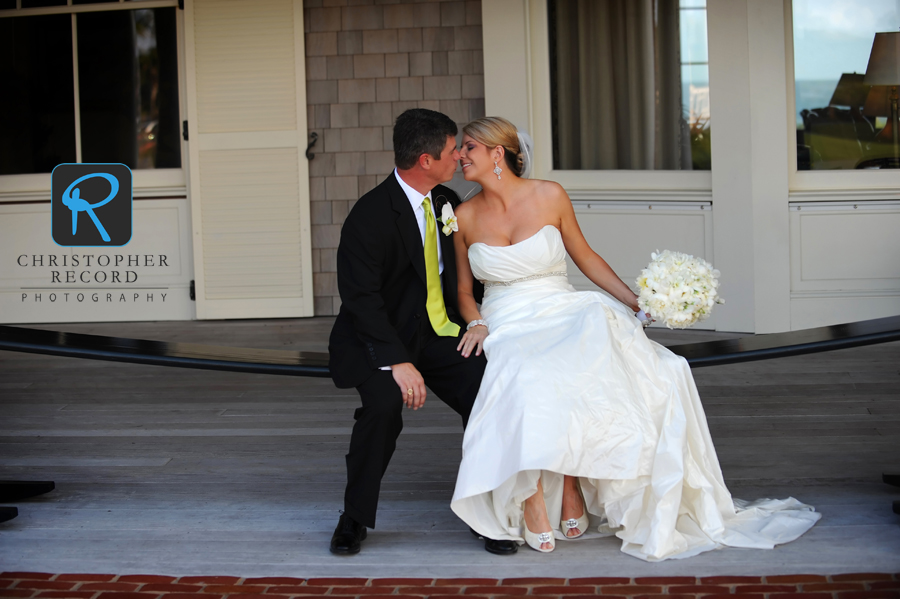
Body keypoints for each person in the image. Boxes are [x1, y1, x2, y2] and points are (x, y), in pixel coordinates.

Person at [448, 116, 821, 560]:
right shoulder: (463, 215)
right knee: (527, 374)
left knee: (597, 341)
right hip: (506, 315)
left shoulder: (549, 195)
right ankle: (532, 495)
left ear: (497, 152)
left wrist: (635, 301)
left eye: (468, 147)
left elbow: (585, 257)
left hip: (560, 303)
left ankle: (569, 484)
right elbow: (464, 291)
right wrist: (476, 323)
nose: (459, 156)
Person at [327, 109, 518, 557]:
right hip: (381, 338)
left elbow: (471, 274)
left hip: (439, 332)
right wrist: (397, 360)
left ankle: (484, 513)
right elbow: (361, 299)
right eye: (454, 150)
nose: (461, 156)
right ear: (427, 160)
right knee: (383, 406)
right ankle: (353, 516)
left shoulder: (447, 201)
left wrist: (486, 318)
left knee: (489, 392)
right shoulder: (369, 216)